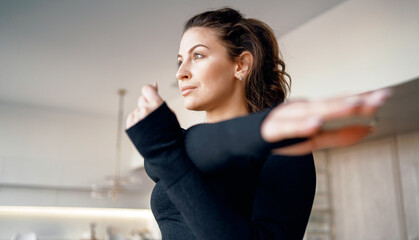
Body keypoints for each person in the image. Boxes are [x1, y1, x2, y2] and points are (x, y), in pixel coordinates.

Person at [125, 8, 390, 240]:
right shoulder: (178, 147)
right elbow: (161, 159)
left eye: (198, 56)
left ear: (241, 65)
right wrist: (165, 151)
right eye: (180, 60)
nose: (180, 72)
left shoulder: (283, 152)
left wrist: (166, 155)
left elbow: (166, 158)